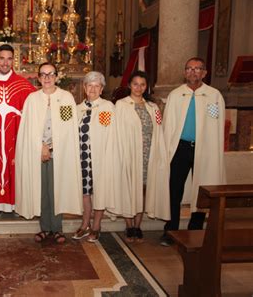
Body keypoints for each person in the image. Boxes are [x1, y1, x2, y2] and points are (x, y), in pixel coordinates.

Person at [161, 57, 226, 246]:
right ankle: (171, 229)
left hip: (203, 148)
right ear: (184, 73)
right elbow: (169, 124)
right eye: (189, 69)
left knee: (201, 188)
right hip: (180, 148)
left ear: (204, 73)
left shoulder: (213, 96)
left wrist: (213, 149)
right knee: (174, 189)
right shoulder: (176, 95)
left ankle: (196, 228)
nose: (193, 72)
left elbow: (215, 125)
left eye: (197, 69)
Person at [15, 62, 82, 244]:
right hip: (37, 152)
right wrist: (41, 146)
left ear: (56, 77)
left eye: (51, 74)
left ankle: (57, 228)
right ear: (38, 78)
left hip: (59, 153)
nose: (47, 78)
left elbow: (67, 127)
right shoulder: (32, 99)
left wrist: (52, 147)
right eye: (43, 74)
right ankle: (45, 228)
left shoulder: (66, 98)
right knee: (42, 189)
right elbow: (28, 129)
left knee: (57, 189)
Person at [0, 44, 36, 217]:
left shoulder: (23, 85)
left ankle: (17, 204)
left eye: (9, 59)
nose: (5, 62)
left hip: (15, 137)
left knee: (15, 166)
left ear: (14, 60)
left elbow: (35, 109)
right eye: (2, 58)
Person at [115, 70, 170, 243]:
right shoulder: (121, 105)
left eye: (142, 84)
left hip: (148, 154)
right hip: (129, 153)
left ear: (147, 87)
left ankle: (138, 225)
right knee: (129, 188)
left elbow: (159, 130)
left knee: (143, 190)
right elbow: (117, 132)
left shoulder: (153, 107)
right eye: (135, 84)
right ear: (129, 85)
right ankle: (128, 225)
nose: (138, 87)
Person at [72, 71, 121, 242]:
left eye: (97, 86)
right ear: (84, 88)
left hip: (100, 157)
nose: (93, 89)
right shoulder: (77, 109)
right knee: (85, 191)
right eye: (89, 85)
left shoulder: (107, 107)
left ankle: (96, 225)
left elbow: (109, 132)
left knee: (99, 190)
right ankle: (85, 223)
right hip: (82, 157)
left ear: (101, 89)